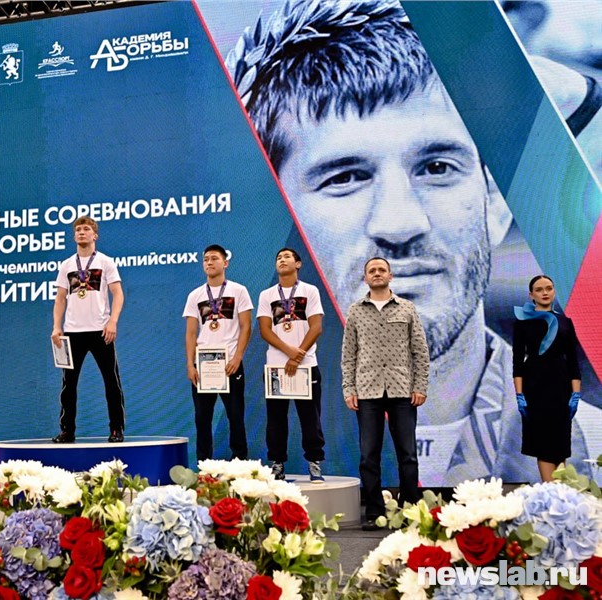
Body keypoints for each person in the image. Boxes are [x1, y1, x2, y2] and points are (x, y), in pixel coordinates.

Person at [228, 0, 590, 484]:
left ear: (496, 203)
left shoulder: (588, 448)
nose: (400, 223)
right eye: (345, 177)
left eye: (437, 168)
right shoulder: (247, 455)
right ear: (280, 220)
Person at [342, 258, 429, 531]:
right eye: (372, 271)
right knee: (369, 455)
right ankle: (374, 512)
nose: (377, 273)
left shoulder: (407, 308)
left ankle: (410, 510)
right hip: (367, 390)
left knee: (408, 454)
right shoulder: (356, 311)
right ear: (365, 278)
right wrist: (349, 388)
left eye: (382, 270)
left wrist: (420, 386)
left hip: (402, 389)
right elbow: (349, 354)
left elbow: (420, 351)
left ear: (390, 275)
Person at [51, 216, 126, 443]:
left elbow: (118, 294)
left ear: (95, 235)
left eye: (86, 229)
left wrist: (112, 321)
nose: (81, 232)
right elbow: (60, 298)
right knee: (68, 385)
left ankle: (116, 429)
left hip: (100, 330)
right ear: (74, 236)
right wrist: (56, 326)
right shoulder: (67, 265)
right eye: (78, 230)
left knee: (111, 381)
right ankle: (67, 430)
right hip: (72, 332)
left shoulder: (105, 262)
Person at [257, 248, 326, 482]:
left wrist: (298, 356)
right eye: (278, 257)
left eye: (287, 256)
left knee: (310, 417)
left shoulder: (310, 291)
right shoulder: (267, 295)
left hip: (306, 365)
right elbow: (265, 330)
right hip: (277, 367)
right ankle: (277, 463)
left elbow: (316, 327)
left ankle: (314, 463)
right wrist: (289, 353)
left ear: (298, 264)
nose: (282, 260)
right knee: (276, 418)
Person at [184, 244, 252, 461]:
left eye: (214, 258)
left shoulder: (238, 291)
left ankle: (239, 462)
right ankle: (204, 464)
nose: (209, 262)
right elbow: (191, 332)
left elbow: (246, 326)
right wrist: (190, 364)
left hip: (230, 363)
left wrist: (238, 357)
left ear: (225, 262)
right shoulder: (195, 295)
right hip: (204, 364)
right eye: (206, 259)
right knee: (202, 418)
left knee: (236, 416)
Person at [513, 275, 582, 482]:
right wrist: (520, 395)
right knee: (543, 444)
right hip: (535, 387)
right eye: (539, 289)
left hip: (561, 386)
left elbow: (573, 361)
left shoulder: (565, 322)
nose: (545, 292)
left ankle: (560, 492)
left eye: (549, 288)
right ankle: (550, 489)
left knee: (560, 443)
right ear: (531, 295)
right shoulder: (523, 322)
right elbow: (517, 362)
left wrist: (576, 393)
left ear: (554, 291)